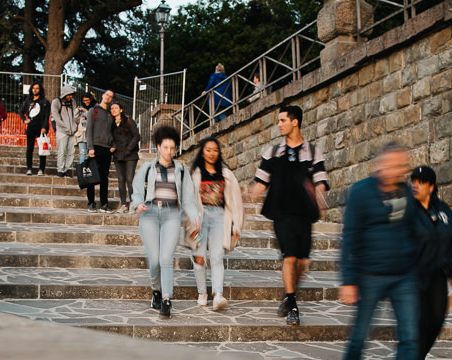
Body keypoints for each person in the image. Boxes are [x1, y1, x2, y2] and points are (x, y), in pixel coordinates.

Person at [339, 143, 419, 360]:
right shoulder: (360, 192)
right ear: (380, 165)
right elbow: (349, 237)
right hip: (369, 275)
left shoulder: (406, 192)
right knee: (359, 337)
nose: (399, 170)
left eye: (402, 165)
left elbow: (413, 231)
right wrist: (348, 281)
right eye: (393, 164)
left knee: (410, 337)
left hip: (404, 277)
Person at [250, 105, 329, 326]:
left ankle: (288, 294)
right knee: (289, 257)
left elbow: (321, 181)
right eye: (279, 121)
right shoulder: (273, 152)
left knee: (303, 262)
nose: (279, 124)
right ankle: (293, 304)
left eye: (283, 120)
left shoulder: (312, 152)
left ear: (295, 122)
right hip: (281, 213)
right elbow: (261, 182)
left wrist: (319, 197)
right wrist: (248, 194)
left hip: (304, 214)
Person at [130, 125, 200, 319]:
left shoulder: (181, 171)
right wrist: (138, 205)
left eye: (172, 148)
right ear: (158, 147)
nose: (169, 151)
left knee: (166, 259)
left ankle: (167, 299)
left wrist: (194, 217)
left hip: (171, 215)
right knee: (154, 260)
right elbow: (136, 193)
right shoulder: (146, 168)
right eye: (166, 147)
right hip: (150, 215)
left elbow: (188, 199)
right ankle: (156, 291)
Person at [409, 166, 452, 360]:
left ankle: (416, 358)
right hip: (414, 273)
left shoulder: (443, 210)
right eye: (413, 181)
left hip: (438, 273)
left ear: (431, 186)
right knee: (420, 320)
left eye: (420, 182)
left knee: (437, 319)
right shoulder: (406, 209)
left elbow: (450, 240)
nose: (415, 185)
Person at [186, 137, 245, 311]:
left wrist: (237, 226)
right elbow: (187, 200)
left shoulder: (226, 174)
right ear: (202, 152)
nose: (212, 153)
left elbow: (236, 201)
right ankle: (202, 292)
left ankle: (218, 294)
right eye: (208, 150)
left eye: (215, 150)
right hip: (199, 218)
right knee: (199, 257)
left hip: (220, 216)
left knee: (217, 256)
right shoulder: (195, 174)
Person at [86, 89, 115, 212]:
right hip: (95, 147)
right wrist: (90, 147)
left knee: (104, 178)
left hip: (107, 149)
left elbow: (113, 132)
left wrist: (113, 145)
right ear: (103, 95)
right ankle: (91, 203)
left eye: (111, 96)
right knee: (91, 176)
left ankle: (104, 203)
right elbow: (89, 129)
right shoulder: (94, 110)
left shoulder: (110, 114)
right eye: (107, 95)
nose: (108, 97)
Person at [109, 101, 140, 213]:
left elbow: (136, 136)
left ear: (121, 110)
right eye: (112, 108)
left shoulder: (128, 120)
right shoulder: (111, 123)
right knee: (121, 180)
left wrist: (129, 148)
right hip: (118, 155)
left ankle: (133, 202)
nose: (114, 110)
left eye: (116, 108)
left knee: (130, 179)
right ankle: (124, 204)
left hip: (130, 154)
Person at [19, 82, 51, 176]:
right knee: (29, 148)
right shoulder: (28, 101)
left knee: (42, 148)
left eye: (37, 88)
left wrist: (44, 127)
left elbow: (47, 116)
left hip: (41, 127)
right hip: (31, 127)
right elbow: (20, 111)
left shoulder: (45, 101)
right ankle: (29, 168)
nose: (35, 90)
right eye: (33, 88)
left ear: (40, 90)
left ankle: (41, 169)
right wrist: (24, 119)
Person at [51, 85, 77, 177]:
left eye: (71, 95)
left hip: (72, 130)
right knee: (61, 151)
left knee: (71, 151)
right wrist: (64, 126)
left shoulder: (73, 102)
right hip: (62, 130)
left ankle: (67, 168)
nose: (70, 97)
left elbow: (75, 114)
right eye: (68, 95)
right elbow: (56, 116)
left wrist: (74, 126)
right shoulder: (56, 102)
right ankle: (60, 169)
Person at [75, 92, 95, 164]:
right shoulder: (81, 109)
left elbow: (92, 118)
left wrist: (86, 111)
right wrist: (77, 111)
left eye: (87, 100)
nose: (86, 102)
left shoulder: (94, 108)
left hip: (91, 135)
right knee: (82, 153)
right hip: (82, 134)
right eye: (84, 100)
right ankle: (82, 169)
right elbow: (76, 120)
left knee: (91, 154)